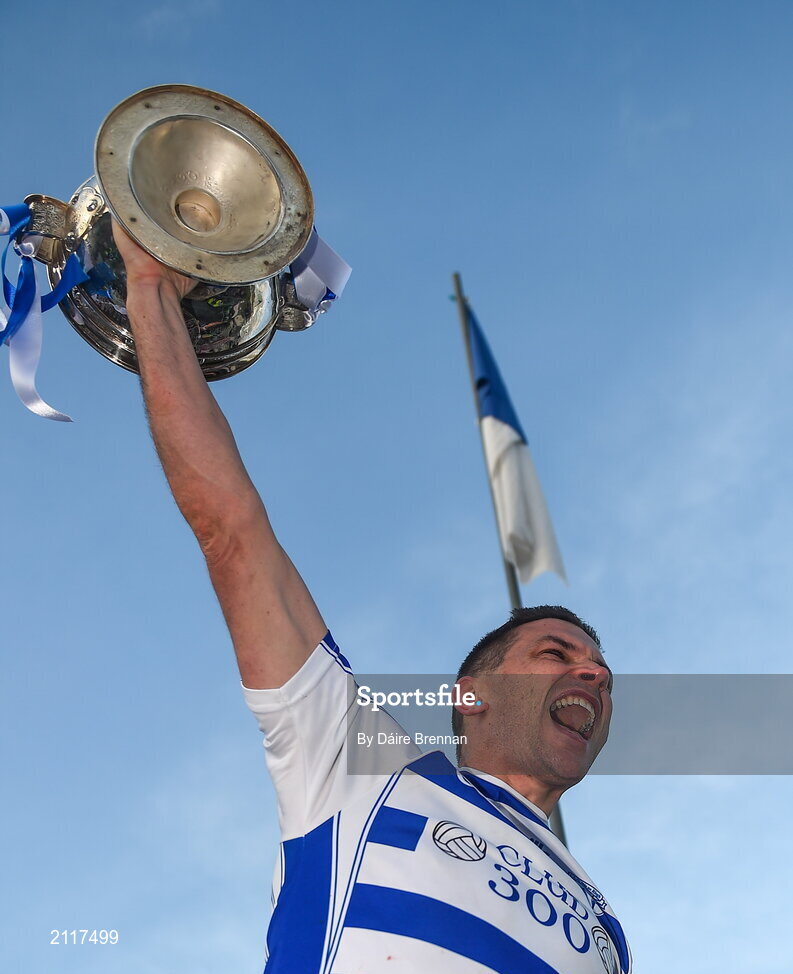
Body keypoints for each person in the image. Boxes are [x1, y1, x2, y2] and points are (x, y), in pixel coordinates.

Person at [114, 222, 632, 974]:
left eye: (599, 670)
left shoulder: (607, 927)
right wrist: (153, 291)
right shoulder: (362, 763)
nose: (593, 675)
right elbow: (233, 531)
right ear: (471, 696)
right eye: (556, 653)